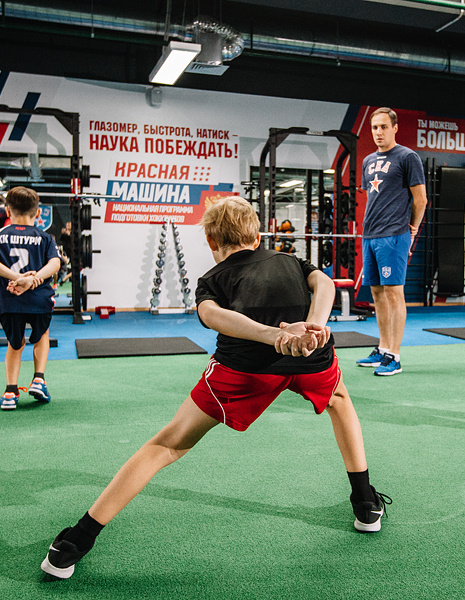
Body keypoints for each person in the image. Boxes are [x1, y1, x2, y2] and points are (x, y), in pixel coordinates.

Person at [40, 197, 389, 580]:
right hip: (311, 362)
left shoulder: (211, 279)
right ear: (256, 235)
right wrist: (307, 329)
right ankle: (366, 504)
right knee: (339, 400)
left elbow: (212, 315)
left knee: (167, 445)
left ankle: (74, 544)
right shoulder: (289, 261)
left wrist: (297, 331)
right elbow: (321, 280)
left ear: (210, 240)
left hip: (243, 372)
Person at [356, 107, 427, 376]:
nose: (378, 132)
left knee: (394, 293)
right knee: (377, 293)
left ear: (395, 128)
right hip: (371, 235)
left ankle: (394, 356)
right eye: (375, 127)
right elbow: (375, 197)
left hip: (394, 234)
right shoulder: (368, 161)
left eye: (384, 127)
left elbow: (420, 200)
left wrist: (412, 229)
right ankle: (383, 348)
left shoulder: (408, 157)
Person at [0, 187, 61, 411]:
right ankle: (38, 379)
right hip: (38, 299)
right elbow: (55, 264)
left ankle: (10, 392)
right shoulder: (45, 238)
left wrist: (16, 278)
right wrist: (32, 280)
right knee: (42, 334)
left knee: (15, 344)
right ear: (37, 213)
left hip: (8, 300)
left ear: (7, 211)